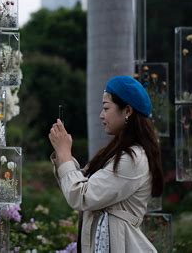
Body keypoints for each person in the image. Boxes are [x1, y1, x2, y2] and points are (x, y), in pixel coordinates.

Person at [49, 76, 164, 253]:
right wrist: (62, 154)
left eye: (106, 108)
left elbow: (82, 195)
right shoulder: (118, 153)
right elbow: (81, 183)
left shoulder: (133, 159)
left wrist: (65, 154)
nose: (101, 115)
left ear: (127, 111)